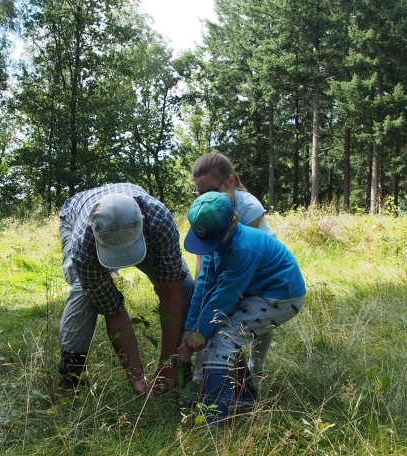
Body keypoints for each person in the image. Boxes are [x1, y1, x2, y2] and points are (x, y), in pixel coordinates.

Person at [176, 192, 306, 422]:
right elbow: (205, 287)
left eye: (213, 240)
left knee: (225, 336)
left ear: (234, 221)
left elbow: (221, 301)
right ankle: (244, 395)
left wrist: (194, 341)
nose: (208, 247)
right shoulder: (215, 243)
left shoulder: (243, 249)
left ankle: (213, 417)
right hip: (257, 292)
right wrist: (189, 331)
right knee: (220, 331)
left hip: (282, 296)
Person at [58, 183, 195, 394]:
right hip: (77, 220)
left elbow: (171, 291)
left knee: (185, 286)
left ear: (142, 221)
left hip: (143, 232)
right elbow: (112, 309)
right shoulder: (83, 246)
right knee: (83, 295)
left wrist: (169, 360)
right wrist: (136, 376)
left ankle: (180, 364)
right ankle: (71, 377)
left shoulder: (159, 219)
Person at [190, 151, 276, 380]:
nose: (202, 198)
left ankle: (255, 371)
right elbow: (203, 262)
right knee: (215, 317)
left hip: (258, 271)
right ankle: (211, 374)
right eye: (198, 192)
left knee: (257, 322)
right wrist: (201, 299)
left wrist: (216, 302)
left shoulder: (249, 208)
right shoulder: (206, 210)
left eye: (209, 192)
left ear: (229, 181)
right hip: (230, 268)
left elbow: (241, 261)